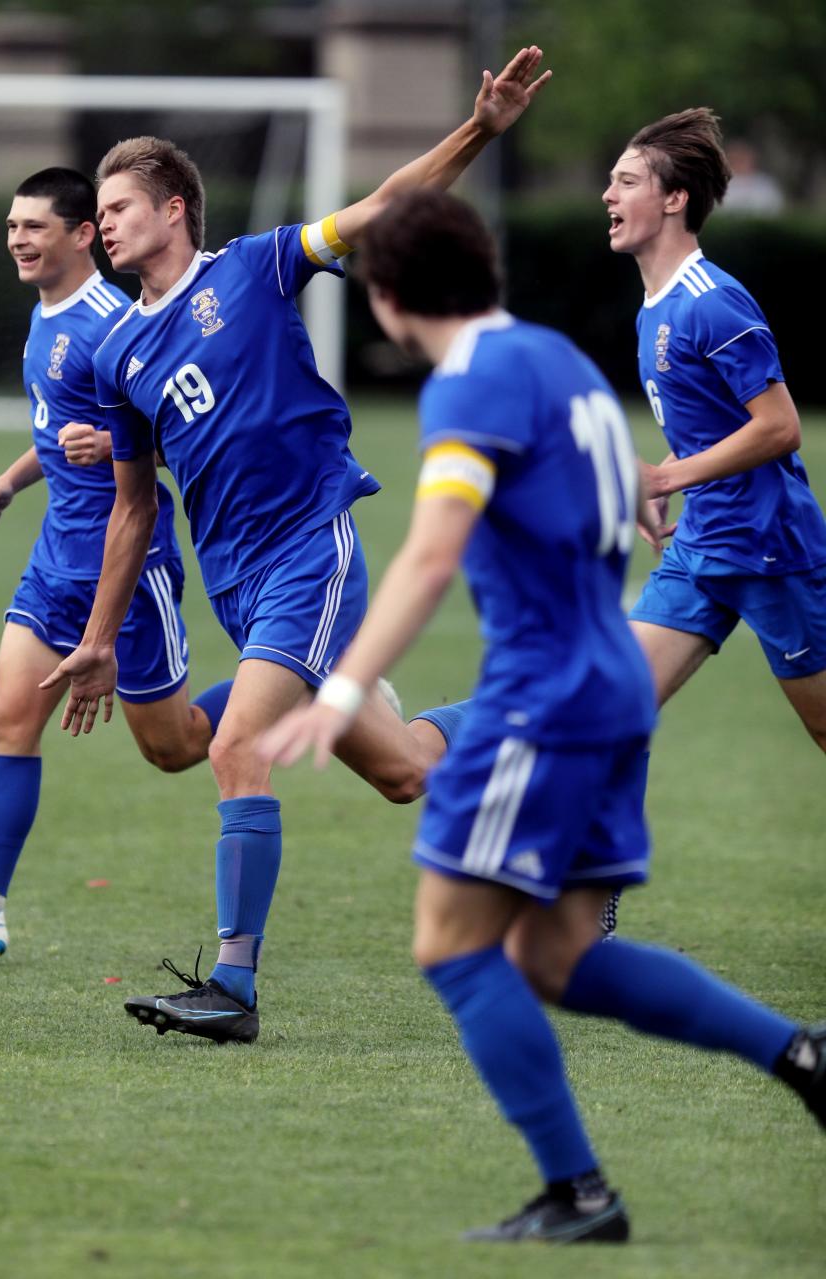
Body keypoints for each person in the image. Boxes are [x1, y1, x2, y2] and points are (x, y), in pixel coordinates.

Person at [259, 189, 826, 1243]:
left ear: (385, 298)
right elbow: (626, 501)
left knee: (453, 946)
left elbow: (431, 551)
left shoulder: (468, 383)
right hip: (613, 682)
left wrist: (340, 690)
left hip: (543, 702)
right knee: (558, 959)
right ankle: (802, 1056)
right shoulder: (559, 359)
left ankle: (580, 1192)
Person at [39, 48, 553, 1043]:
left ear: (176, 209)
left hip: (309, 554)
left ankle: (233, 988)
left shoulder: (257, 265)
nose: (101, 223)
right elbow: (133, 508)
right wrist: (102, 636)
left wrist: (483, 127)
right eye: (97, 211)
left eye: (120, 206)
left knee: (234, 745)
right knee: (404, 772)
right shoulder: (116, 354)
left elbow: (387, 202)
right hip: (238, 585)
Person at [0, 167, 231, 961]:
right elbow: (58, 427)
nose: (17, 238)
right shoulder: (48, 317)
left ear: (82, 236)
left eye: (34, 226)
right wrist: (11, 479)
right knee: (7, 719)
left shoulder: (121, 327)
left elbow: (194, 427)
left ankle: (303, 680)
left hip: (126, 567)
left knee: (172, 747)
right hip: (55, 560)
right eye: (11, 225)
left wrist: (116, 444)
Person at [600, 109, 826, 931]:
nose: (608, 194)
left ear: (673, 199)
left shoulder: (713, 301)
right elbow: (707, 427)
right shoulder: (651, 307)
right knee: (617, 698)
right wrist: (674, 487)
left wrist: (667, 473)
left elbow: (780, 425)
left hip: (770, 548)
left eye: (626, 181)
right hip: (705, 546)